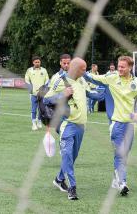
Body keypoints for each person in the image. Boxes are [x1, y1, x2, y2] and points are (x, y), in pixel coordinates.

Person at [84, 56, 137, 196]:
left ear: (130, 67)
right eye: (119, 66)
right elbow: (93, 79)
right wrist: (81, 71)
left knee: (125, 154)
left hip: (130, 125)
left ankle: (115, 179)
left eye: (123, 67)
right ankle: (122, 182)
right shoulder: (112, 78)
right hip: (116, 123)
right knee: (120, 153)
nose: (120, 69)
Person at [44, 57, 90, 200]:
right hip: (67, 125)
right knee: (68, 156)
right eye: (83, 69)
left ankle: (59, 179)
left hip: (81, 126)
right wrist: (62, 94)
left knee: (72, 157)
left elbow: (91, 94)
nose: (85, 71)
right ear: (76, 69)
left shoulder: (81, 80)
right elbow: (46, 99)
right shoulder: (60, 79)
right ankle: (72, 188)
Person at [25, 56, 49, 130]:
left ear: (40, 62)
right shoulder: (29, 70)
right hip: (33, 94)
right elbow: (26, 80)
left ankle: (39, 121)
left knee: (41, 109)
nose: (37, 63)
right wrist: (30, 88)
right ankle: (34, 124)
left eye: (38, 62)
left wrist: (44, 89)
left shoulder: (44, 70)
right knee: (33, 109)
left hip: (42, 94)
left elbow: (47, 80)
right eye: (36, 62)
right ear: (33, 62)